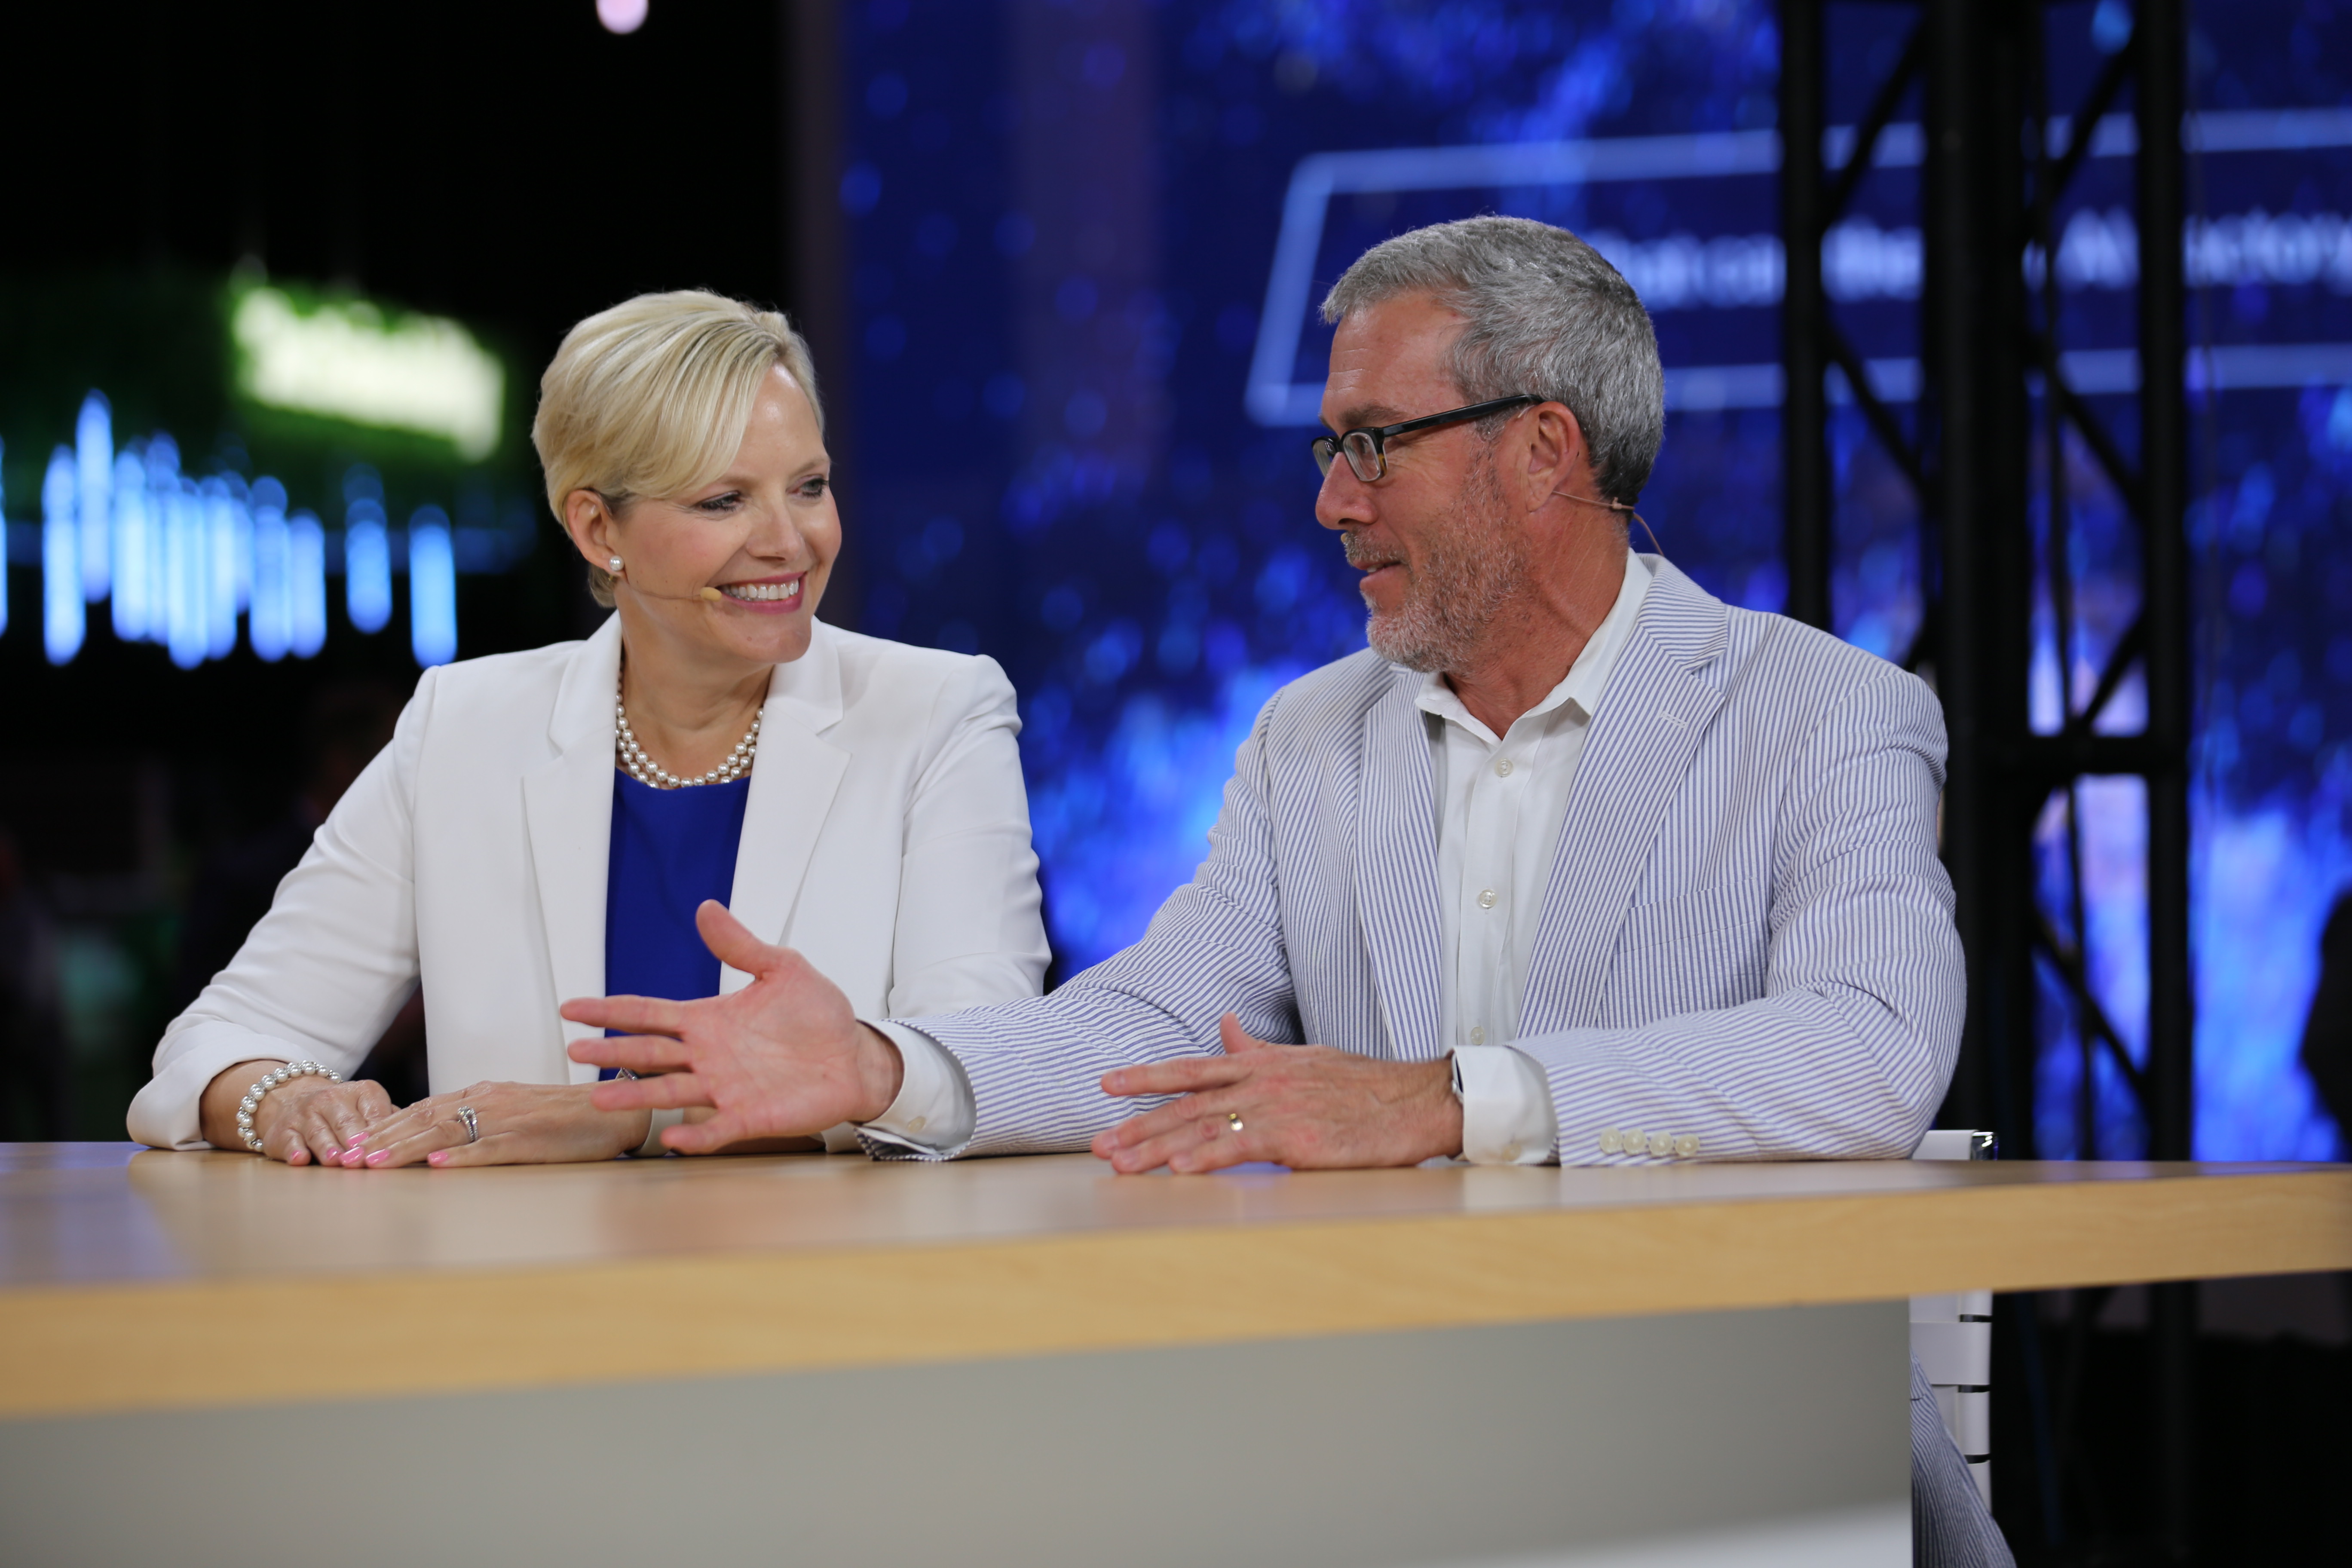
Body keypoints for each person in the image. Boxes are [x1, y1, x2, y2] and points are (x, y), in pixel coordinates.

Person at [568, 221, 2011, 1566]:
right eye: (1332, 449)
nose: (1331, 499)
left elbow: (1871, 1046)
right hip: (1388, 1457)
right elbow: (1153, 1024)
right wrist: (884, 1064)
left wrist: (1445, 1098)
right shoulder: (1312, 734)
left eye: (1375, 445)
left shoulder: (1821, 710)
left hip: (1743, 1463)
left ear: (1544, 451)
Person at [126, 291, 1049, 1167]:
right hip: (529, 1306)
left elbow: (977, 1071)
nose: (791, 540)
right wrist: (287, 1101)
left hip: (829, 1295)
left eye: (808, 486)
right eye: (723, 501)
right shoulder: (465, 727)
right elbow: (219, 1042)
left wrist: (616, 1119)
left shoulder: (937, 713)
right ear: (597, 527)